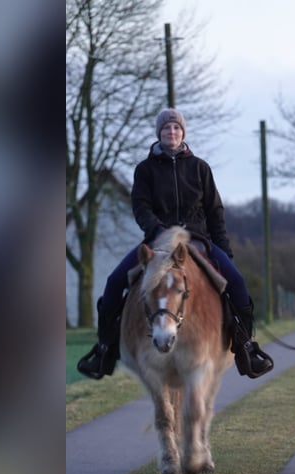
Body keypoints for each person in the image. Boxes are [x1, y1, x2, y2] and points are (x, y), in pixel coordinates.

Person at [77, 108, 274, 380]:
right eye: (167, 128)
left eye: (176, 128)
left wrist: (224, 251)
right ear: (159, 133)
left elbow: (215, 212)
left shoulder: (200, 168)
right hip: (158, 241)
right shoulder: (144, 170)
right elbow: (141, 207)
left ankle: (245, 347)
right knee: (113, 283)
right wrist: (157, 230)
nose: (172, 132)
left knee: (237, 282)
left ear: (183, 133)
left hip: (198, 241)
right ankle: (104, 350)